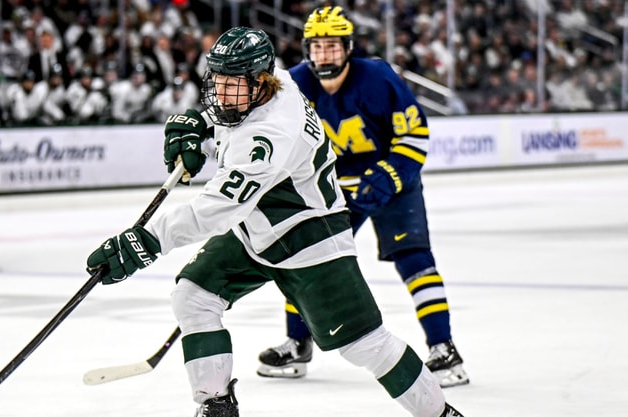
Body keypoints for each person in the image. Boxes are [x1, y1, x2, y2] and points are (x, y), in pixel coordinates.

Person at [85, 27, 464, 417]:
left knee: (365, 345)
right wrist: (201, 124)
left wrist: (146, 241)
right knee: (193, 295)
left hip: (310, 238)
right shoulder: (275, 80)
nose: (220, 92)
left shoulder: (269, 134)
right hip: (259, 226)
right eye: (217, 81)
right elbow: (231, 122)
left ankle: (440, 413)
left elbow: (217, 208)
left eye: (231, 84)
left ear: (259, 81)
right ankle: (216, 406)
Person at [256, 6, 469, 389]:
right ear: (307, 49)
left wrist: (387, 177)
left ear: (348, 47)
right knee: (305, 257)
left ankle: (444, 348)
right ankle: (298, 342)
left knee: (414, 260)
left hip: (391, 183)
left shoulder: (378, 78)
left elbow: (415, 135)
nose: (325, 55)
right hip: (334, 189)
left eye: (332, 46)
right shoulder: (293, 85)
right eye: (317, 47)